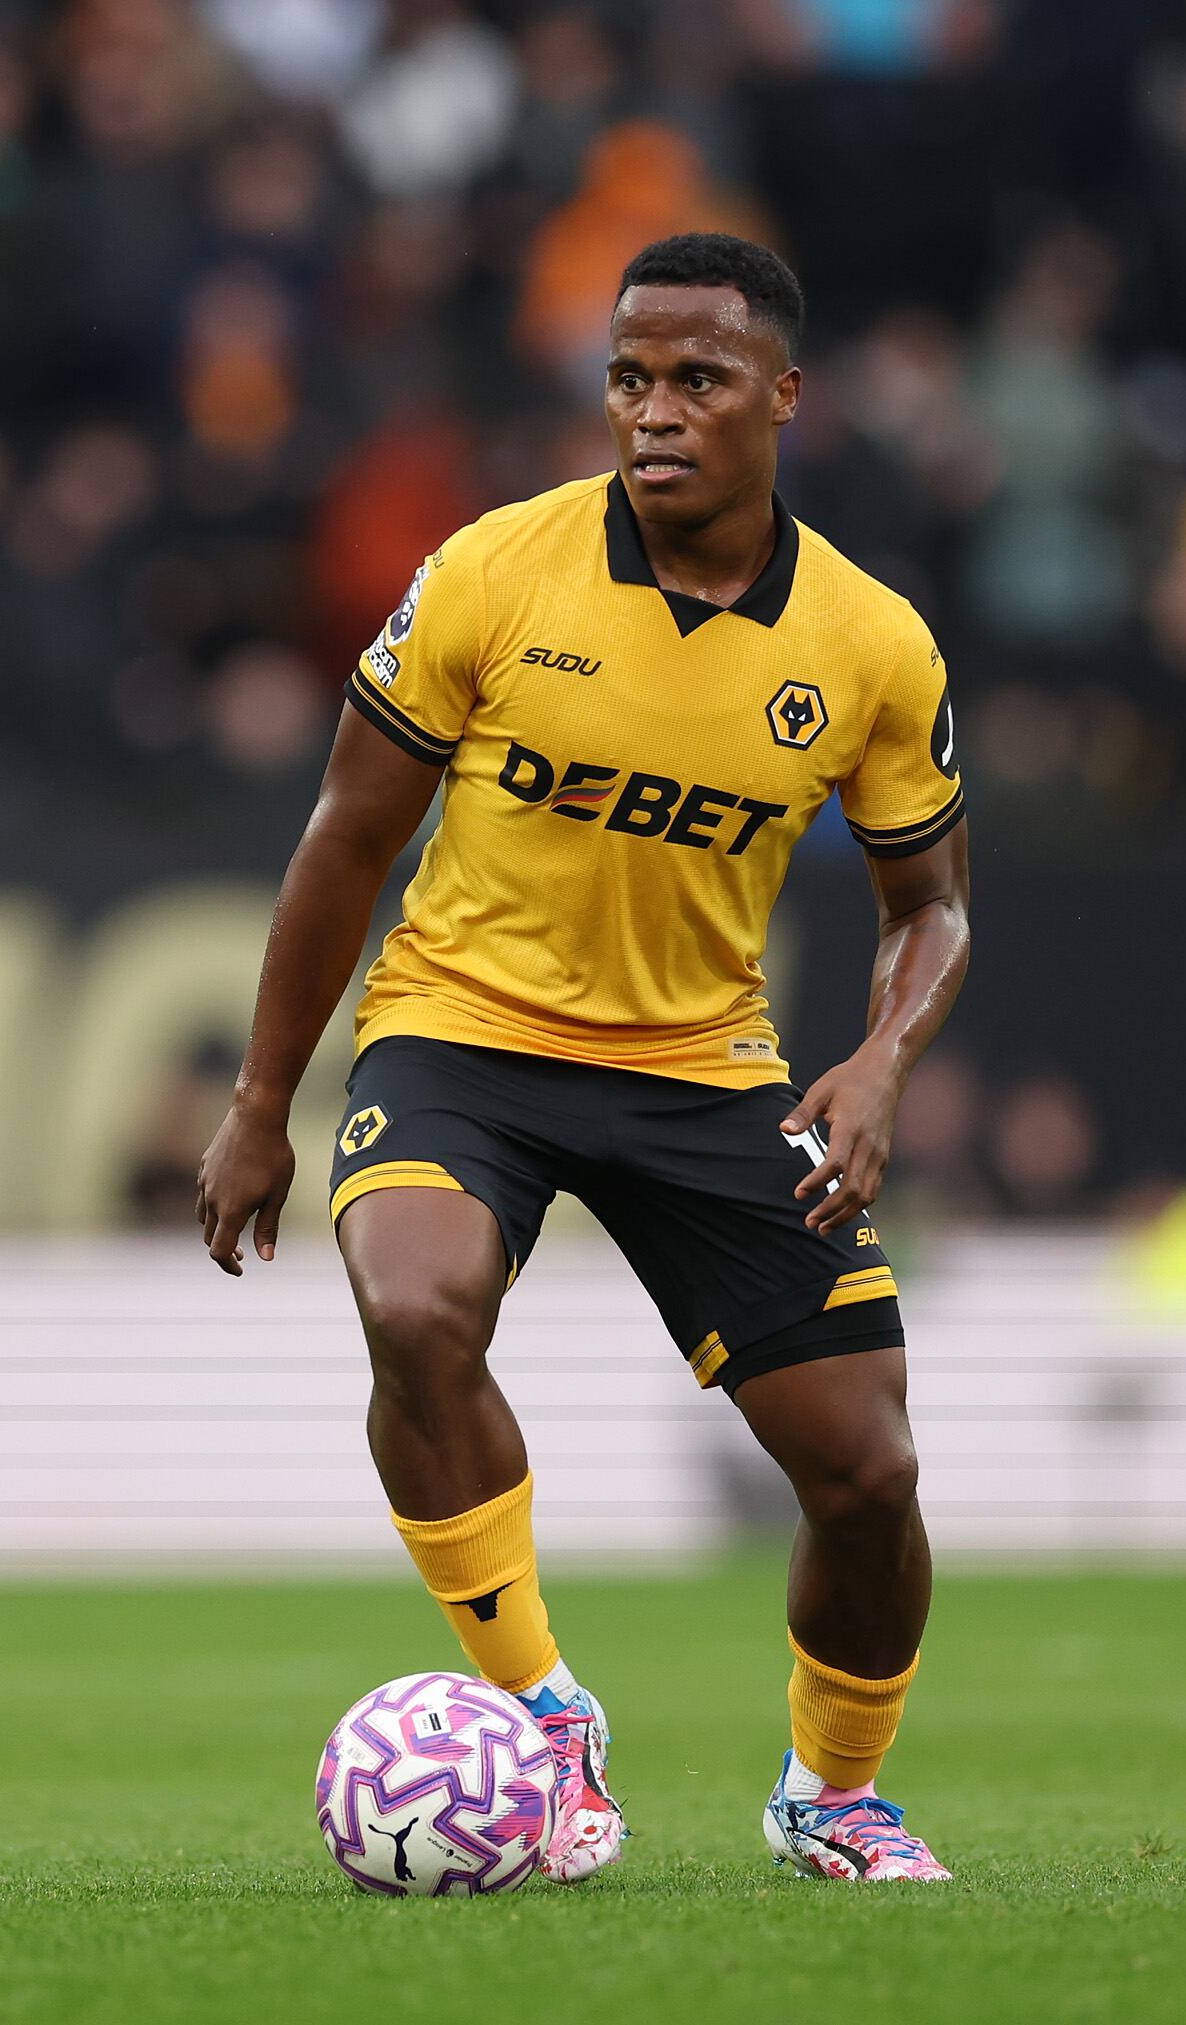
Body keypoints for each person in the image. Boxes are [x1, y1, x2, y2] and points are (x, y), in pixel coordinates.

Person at [197, 234, 969, 1884]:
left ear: (783, 395)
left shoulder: (871, 643)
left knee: (867, 1469)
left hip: (703, 1063)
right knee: (416, 1310)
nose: (653, 411)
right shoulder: (493, 570)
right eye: (628, 377)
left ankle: (831, 1793)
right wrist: (261, 1101)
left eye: (697, 378)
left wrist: (879, 1060)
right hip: (463, 1027)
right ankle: (542, 1711)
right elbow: (344, 838)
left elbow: (933, 906)